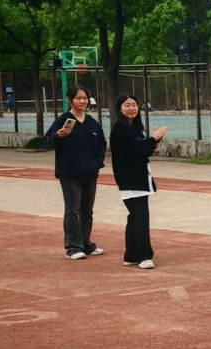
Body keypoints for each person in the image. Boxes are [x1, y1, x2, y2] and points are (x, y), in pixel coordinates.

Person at [44, 86, 107, 260]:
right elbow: (47, 142)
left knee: (87, 210)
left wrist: (96, 164)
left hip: (90, 174)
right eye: (78, 98)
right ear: (69, 100)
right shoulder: (63, 120)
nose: (82, 101)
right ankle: (73, 247)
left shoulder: (92, 123)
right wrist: (58, 136)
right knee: (73, 210)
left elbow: (102, 144)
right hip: (69, 174)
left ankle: (85, 243)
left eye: (84, 98)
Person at [110, 93, 168, 269]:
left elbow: (141, 151)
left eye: (134, 105)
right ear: (120, 109)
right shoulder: (120, 129)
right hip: (131, 180)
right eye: (127, 105)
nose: (131, 108)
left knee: (135, 217)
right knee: (141, 217)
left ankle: (131, 254)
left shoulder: (134, 128)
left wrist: (152, 143)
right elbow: (134, 152)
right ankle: (144, 256)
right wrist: (152, 139)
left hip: (140, 179)